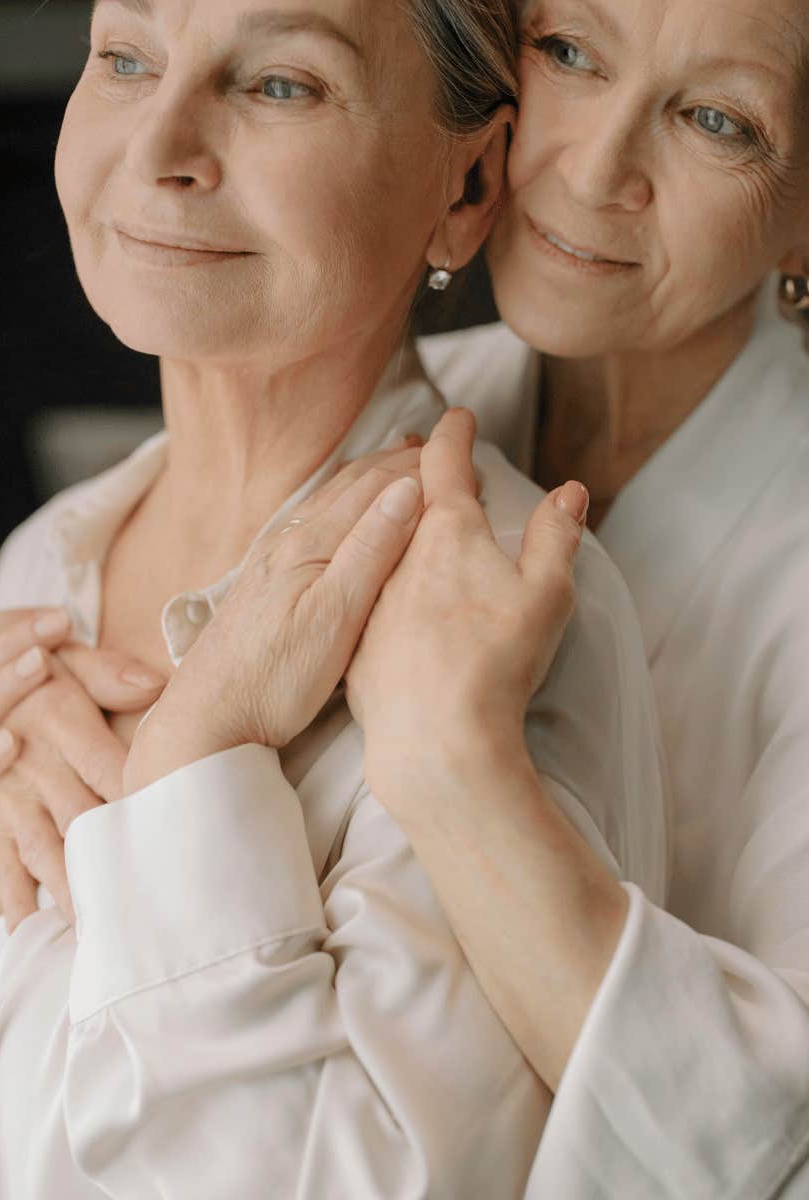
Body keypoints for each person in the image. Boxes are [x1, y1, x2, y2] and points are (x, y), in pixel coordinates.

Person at [0, 1, 666, 1196]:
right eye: (125, 59)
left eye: (280, 84)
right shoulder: (32, 573)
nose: (158, 147)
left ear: (467, 183)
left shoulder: (499, 614)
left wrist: (194, 762)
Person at [345, 0, 809, 1194]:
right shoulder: (417, 405)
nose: (595, 168)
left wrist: (456, 766)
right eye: (567, 54)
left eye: (715, 120)